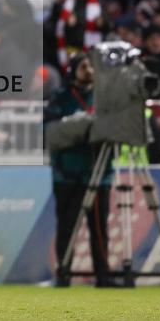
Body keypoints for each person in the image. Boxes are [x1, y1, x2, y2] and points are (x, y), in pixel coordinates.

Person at [44, 53, 112, 287]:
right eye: (83, 67)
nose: (89, 71)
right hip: (68, 173)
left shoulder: (106, 97)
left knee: (100, 229)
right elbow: (49, 133)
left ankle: (104, 275)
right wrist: (82, 127)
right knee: (66, 227)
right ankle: (63, 274)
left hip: (98, 172)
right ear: (73, 71)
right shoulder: (61, 98)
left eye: (92, 67)